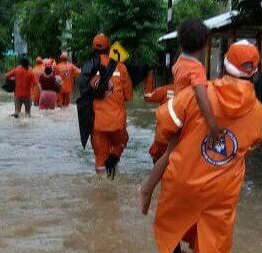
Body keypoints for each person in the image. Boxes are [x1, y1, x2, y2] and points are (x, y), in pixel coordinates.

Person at [151, 41, 262, 253]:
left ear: (224, 63)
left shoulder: (195, 95)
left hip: (183, 180)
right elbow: (251, 144)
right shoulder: (258, 111)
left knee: (171, 229)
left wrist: (166, 147)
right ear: (254, 72)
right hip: (222, 191)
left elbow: (164, 126)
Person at [140, 18, 225, 214]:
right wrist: (212, 125)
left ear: (181, 43)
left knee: (170, 154)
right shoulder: (196, 68)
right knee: (181, 157)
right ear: (205, 44)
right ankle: (148, 188)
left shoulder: (180, 62)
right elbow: (201, 95)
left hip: (175, 115)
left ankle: (149, 188)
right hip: (186, 119)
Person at [80, 33, 133, 177]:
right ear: (109, 47)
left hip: (97, 124)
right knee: (122, 141)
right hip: (117, 123)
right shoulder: (120, 67)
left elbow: (83, 96)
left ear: (93, 48)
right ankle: (114, 157)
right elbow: (128, 97)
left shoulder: (88, 68)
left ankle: (101, 189)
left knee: (100, 157)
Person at [142, 70, 174, 162]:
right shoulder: (188, 92)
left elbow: (148, 96)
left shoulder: (164, 90)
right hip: (181, 138)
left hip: (163, 136)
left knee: (156, 155)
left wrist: (150, 77)